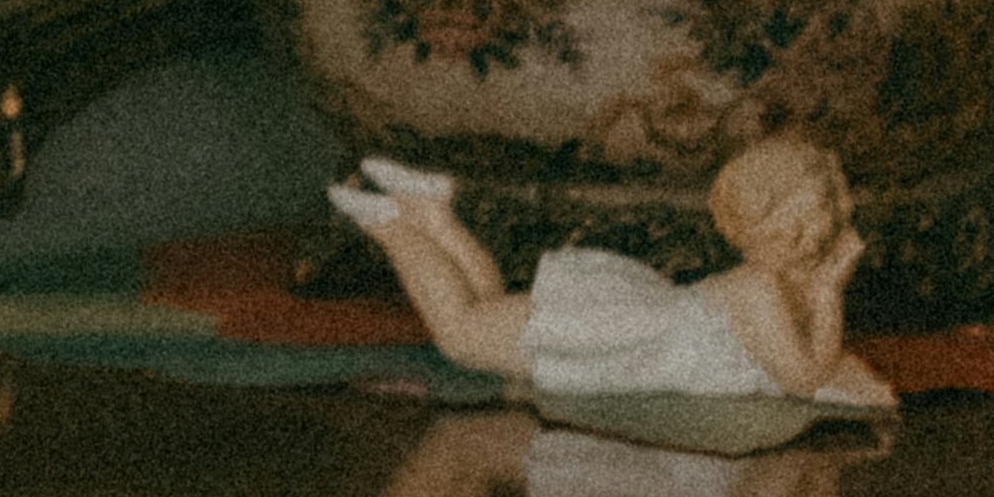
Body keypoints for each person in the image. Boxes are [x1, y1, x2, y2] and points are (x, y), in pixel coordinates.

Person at [319, 137, 892, 410]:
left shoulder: (770, 282)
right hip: (617, 332)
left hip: (627, 327)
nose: (812, 246)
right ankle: (396, 225)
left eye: (818, 233)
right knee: (460, 334)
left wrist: (820, 301)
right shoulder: (762, 288)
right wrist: (827, 292)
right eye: (798, 235)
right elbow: (804, 377)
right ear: (759, 231)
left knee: (487, 310)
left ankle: (436, 216)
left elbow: (822, 365)